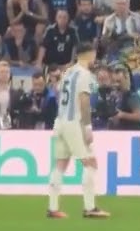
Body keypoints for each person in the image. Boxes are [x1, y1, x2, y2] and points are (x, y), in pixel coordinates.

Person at [47, 41, 110, 219]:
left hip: (60, 121)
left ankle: (53, 208)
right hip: (74, 123)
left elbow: (59, 92)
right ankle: (89, 208)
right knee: (91, 163)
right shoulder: (84, 74)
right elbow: (84, 101)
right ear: (90, 54)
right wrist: (87, 127)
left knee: (60, 164)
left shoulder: (68, 72)